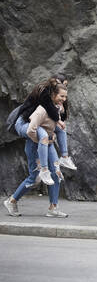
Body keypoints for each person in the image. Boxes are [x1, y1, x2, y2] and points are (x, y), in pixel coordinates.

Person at [3, 82, 69, 217]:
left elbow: (52, 127)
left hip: (47, 144)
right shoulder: (40, 106)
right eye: (61, 95)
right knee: (34, 178)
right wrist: (43, 139)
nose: (64, 99)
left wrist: (54, 133)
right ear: (52, 92)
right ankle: (12, 200)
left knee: (56, 172)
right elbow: (31, 130)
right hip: (34, 144)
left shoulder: (56, 107)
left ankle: (53, 208)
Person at [14, 74, 77, 186]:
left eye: (66, 86)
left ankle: (64, 157)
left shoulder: (60, 96)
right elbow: (47, 110)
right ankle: (43, 170)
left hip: (38, 124)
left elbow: (62, 117)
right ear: (56, 85)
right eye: (63, 84)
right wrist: (43, 139)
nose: (64, 88)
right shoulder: (43, 91)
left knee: (59, 130)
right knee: (43, 136)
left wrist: (60, 113)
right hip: (24, 123)